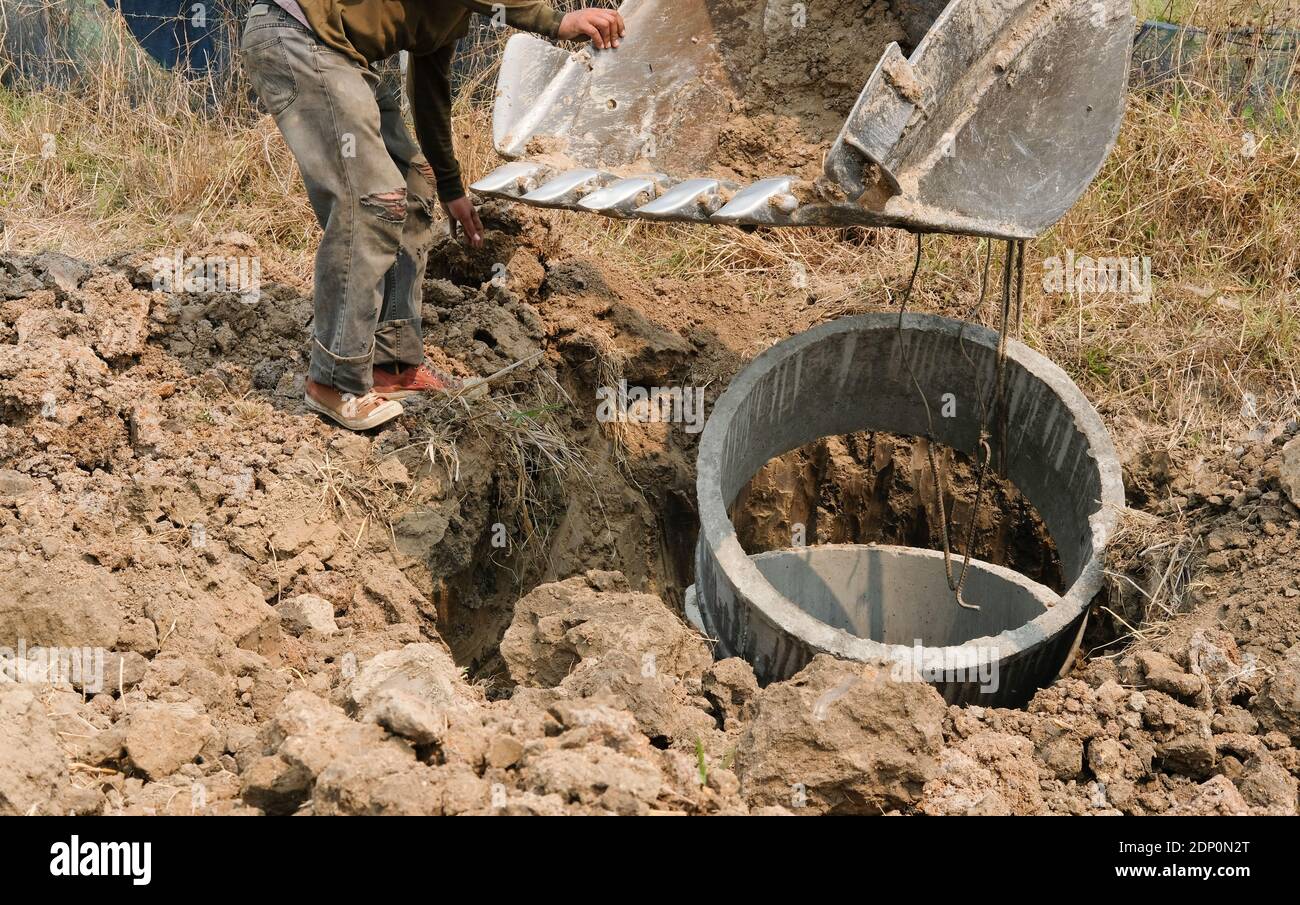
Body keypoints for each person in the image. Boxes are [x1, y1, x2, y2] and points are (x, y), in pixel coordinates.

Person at [240, 0, 626, 430]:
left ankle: (392, 363)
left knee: (411, 191)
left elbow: (429, 94)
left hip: (340, 57)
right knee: (370, 197)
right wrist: (556, 21)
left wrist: (450, 186)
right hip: (295, 34)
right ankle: (334, 380)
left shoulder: (452, 14)